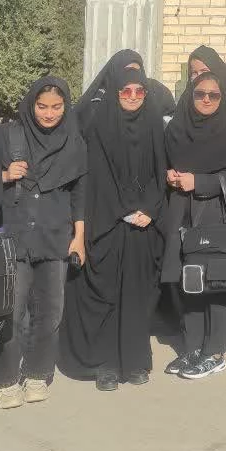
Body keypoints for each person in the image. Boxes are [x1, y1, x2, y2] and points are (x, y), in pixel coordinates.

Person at [61, 68, 167, 391]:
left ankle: (135, 361)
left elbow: (160, 173)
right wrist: (122, 210)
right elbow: (95, 178)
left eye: (139, 91)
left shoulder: (153, 125)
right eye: (126, 91)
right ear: (115, 93)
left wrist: (149, 210)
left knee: (136, 296)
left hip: (142, 227)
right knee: (105, 294)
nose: (133, 97)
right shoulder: (100, 125)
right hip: (106, 223)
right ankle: (105, 364)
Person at [0, 77, 88, 409]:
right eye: (42, 106)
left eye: (57, 107)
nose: (49, 113)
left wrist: (79, 238)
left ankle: (37, 373)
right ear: (31, 105)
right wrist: (5, 175)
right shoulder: (8, 135)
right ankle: (4, 379)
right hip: (15, 234)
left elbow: (79, 195)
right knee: (11, 311)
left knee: (50, 311)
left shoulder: (74, 142)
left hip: (55, 235)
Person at [160, 67, 226, 380]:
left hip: (216, 210)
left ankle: (214, 352)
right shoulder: (177, 128)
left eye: (214, 94)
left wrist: (198, 182)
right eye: (200, 94)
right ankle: (192, 348)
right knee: (189, 280)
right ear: (190, 96)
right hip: (182, 210)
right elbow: (165, 160)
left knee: (217, 281)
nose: (207, 99)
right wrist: (170, 173)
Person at [76, 49, 175, 127]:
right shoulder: (97, 104)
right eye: (127, 72)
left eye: (136, 72)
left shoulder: (156, 92)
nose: (132, 76)